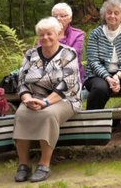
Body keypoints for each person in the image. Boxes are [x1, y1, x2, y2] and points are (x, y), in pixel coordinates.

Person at [13, 17, 82, 183]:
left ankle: (44, 164)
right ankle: (24, 164)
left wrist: (46, 102)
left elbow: (67, 84)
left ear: (58, 34)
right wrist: (27, 98)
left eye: (49, 34)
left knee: (47, 114)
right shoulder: (31, 55)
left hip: (65, 100)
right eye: (41, 35)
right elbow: (21, 81)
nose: (45, 38)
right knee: (21, 114)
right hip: (34, 98)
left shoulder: (68, 54)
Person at [84, 0, 121, 128]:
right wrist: (108, 78)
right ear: (104, 15)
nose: (112, 16)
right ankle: (92, 126)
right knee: (99, 88)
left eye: (116, 13)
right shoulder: (96, 33)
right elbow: (93, 61)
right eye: (109, 12)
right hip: (98, 74)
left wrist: (117, 76)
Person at [49, 2, 86, 81]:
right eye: (55, 16)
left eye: (62, 16)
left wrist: (61, 35)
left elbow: (72, 57)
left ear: (70, 18)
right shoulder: (45, 35)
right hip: (49, 75)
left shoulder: (78, 35)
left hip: (72, 76)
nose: (58, 18)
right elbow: (40, 56)